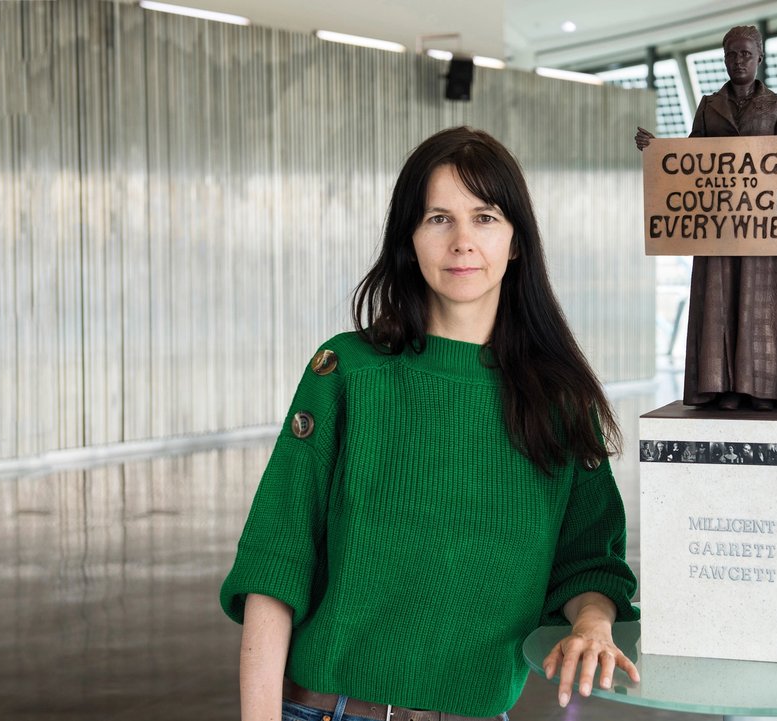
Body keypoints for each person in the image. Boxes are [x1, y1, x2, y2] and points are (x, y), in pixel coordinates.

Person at [220, 127, 640, 721]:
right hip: (325, 710)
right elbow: (277, 558)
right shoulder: (346, 371)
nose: (463, 242)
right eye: (439, 218)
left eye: (486, 217)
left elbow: (588, 563)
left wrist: (595, 623)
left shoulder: (560, 401)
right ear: (410, 239)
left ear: (517, 241)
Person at [635, 25, 777, 411]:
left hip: (762, 230)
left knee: (762, 302)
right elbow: (690, 163)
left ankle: (764, 387)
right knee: (718, 303)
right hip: (718, 228)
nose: (737, 61)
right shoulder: (709, 105)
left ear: (759, 58)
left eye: (744, 54)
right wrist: (658, 150)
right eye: (730, 55)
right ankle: (720, 386)